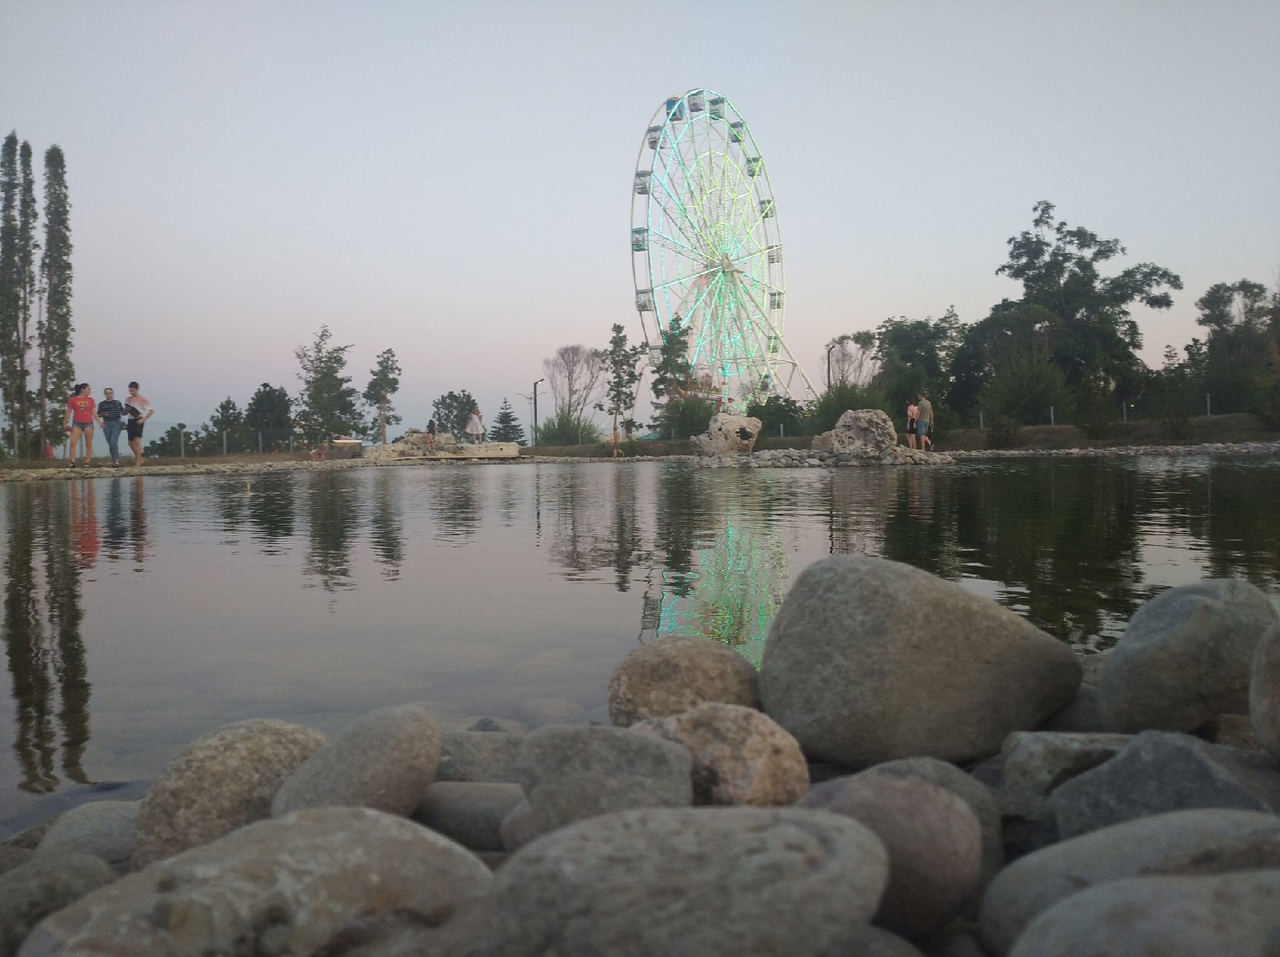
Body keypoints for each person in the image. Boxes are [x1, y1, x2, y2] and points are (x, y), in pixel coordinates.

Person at [64, 383, 101, 467]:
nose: (89, 391)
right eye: (88, 389)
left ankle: (87, 462)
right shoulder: (73, 399)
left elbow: (94, 413)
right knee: (73, 442)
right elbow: (68, 411)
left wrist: (99, 422)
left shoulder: (90, 400)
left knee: (88, 444)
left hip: (88, 423)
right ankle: (72, 462)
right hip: (77, 423)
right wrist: (65, 422)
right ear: (82, 389)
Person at [123, 381, 154, 466]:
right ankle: (140, 458)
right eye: (130, 390)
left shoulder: (142, 399)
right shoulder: (128, 399)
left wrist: (143, 420)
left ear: (137, 390)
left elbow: (151, 411)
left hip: (139, 420)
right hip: (130, 420)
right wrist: (125, 410)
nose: (131, 392)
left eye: (132, 390)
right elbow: (125, 411)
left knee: (137, 441)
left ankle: (137, 463)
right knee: (130, 443)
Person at [97, 387, 127, 466]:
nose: (109, 394)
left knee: (113, 441)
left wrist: (128, 409)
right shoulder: (102, 404)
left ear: (112, 393)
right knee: (110, 442)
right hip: (106, 423)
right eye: (107, 393)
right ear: (105, 394)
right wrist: (103, 414)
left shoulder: (117, 403)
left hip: (116, 423)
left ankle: (116, 460)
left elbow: (123, 412)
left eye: (110, 393)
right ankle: (114, 461)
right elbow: (98, 414)